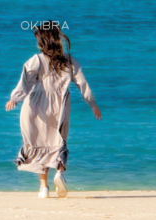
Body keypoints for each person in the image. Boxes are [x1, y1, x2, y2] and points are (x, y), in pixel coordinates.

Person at [6, 21, 101, 198]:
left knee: (40, 143)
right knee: (58, 141)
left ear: (42, 42)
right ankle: (59, 173)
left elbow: (25, 81)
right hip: (60, 106)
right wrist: (92, 104)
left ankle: (44, 188)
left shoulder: (36, 60)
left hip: (34, 106)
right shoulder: (70, 61)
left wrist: (15, 98)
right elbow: (83, 84)